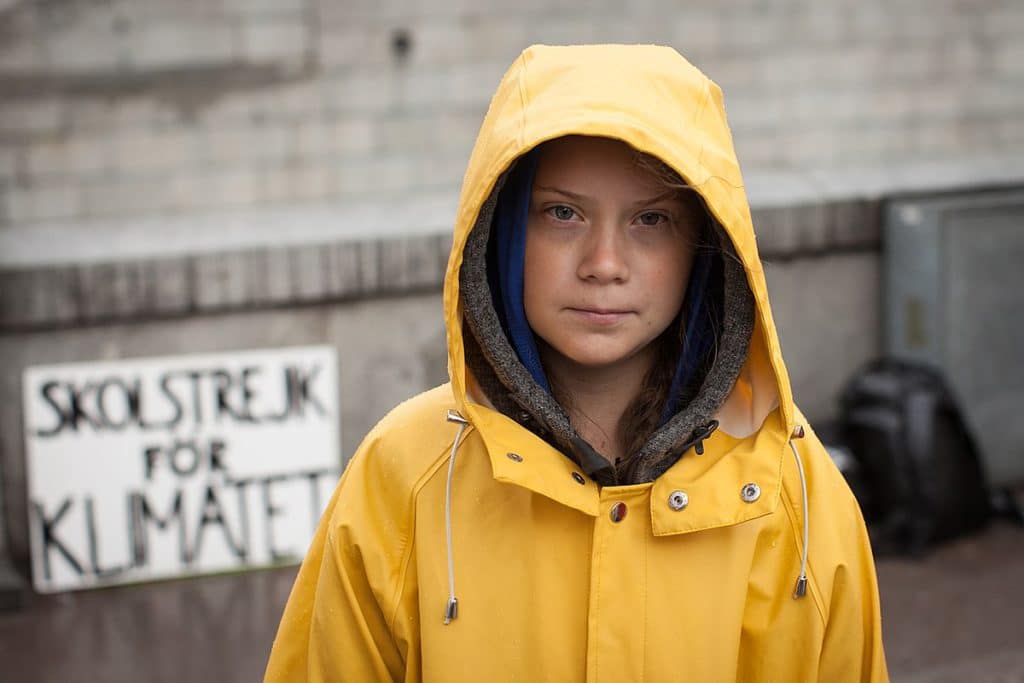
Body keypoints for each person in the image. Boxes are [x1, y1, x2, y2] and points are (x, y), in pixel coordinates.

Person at [264, 44, 888, 682]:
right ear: (503, 230)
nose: (604, 264)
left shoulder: (793, 487)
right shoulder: (406, 473)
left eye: (651, 220)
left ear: (704, 248)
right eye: (563, 214)